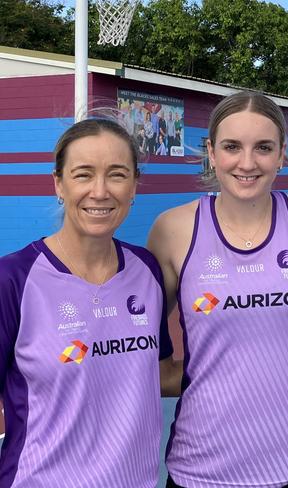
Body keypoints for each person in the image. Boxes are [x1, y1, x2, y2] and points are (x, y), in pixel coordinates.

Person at [148, 91, 288, 488]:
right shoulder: (173, 230)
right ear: (212, 152)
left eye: (263, 148)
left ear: (282, 153)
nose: (247, 163)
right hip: (202, 469)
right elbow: (134, 340)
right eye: (232, 146)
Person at [0, 118, 173, 486]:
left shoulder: (147, 272)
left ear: (134, 187)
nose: (100, 191)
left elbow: (159, 374)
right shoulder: (12, 279)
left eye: (116, 174)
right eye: (83, 175)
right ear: (58, 184)